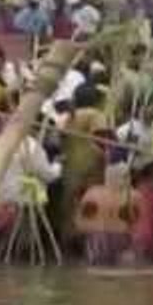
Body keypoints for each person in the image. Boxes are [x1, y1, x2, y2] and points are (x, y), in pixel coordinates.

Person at [58, 84, 109, 244]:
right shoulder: (95, 114)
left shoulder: (70, 116)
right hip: (91, 164)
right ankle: (88, 241)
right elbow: (102, 139)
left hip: (71, 164)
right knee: (90, 202)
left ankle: (69, 238)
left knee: (71, 203)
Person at [75, 162, 138, 266]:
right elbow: (81, 222)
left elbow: (81, 223)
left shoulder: (93, 193)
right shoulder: (134, 195)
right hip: (109, 239)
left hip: (101, 239)